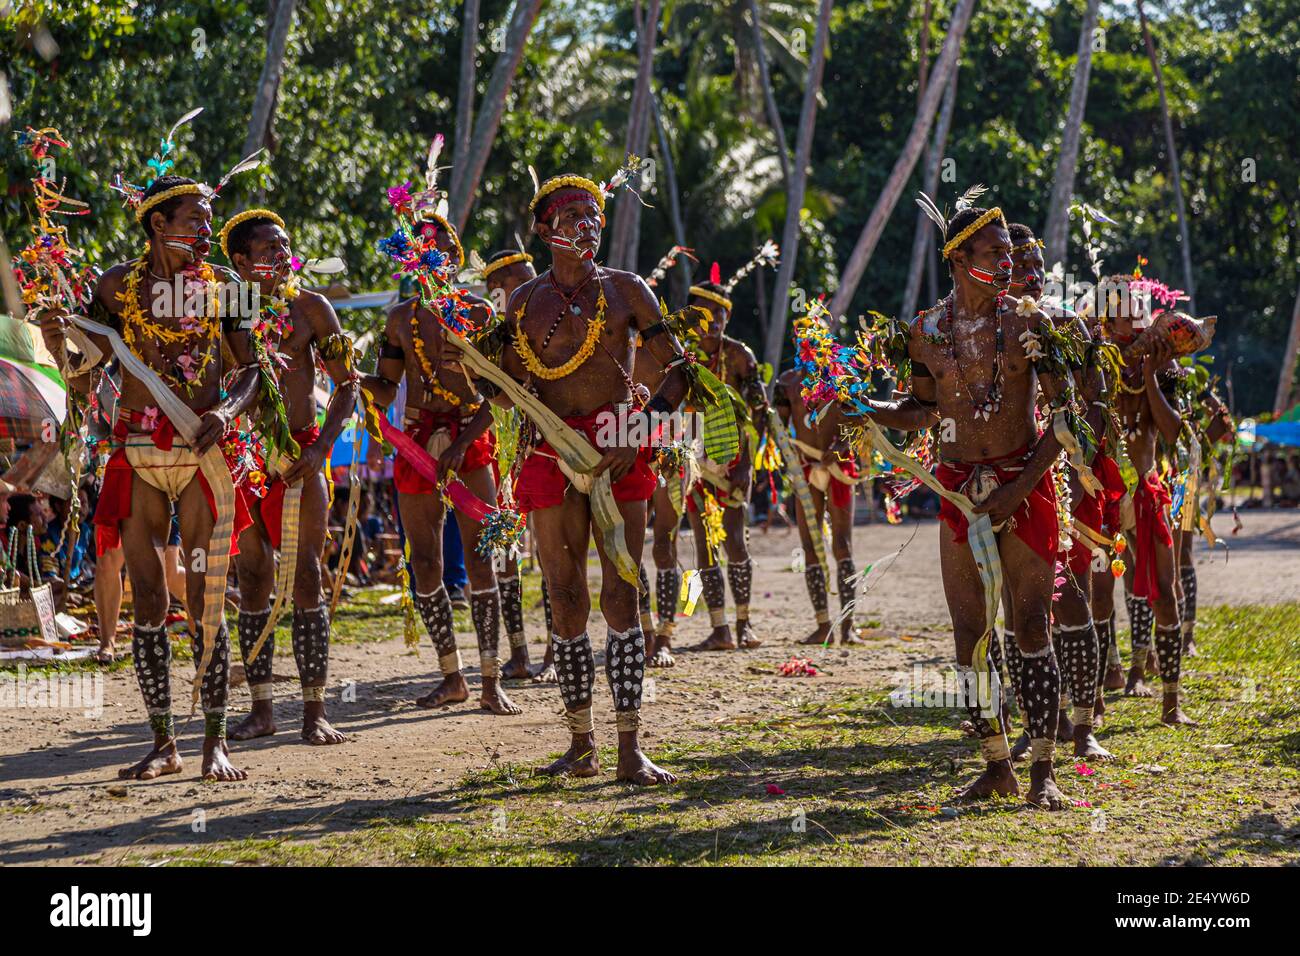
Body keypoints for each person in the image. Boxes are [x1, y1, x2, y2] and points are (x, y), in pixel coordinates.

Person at [439, 170, 704, 784]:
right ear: (543, 228)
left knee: (620, 594)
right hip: (547, 454)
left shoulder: (628, 291)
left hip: (618, 448)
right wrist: (472, 364)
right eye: (570, 215)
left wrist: (636, 433)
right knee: (563, 596)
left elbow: (680, 373)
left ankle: (630, 747)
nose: (585, 224)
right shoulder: (525, 301)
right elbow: (505, 394)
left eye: (593, 214)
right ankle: (580, 741)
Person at [38, 169, 262, 782]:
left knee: (204, 595)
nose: (209, 229)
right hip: (135, 449)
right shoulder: (114, 286)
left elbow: (250, 372)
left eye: (210, 218)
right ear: (159, 225)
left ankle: (216, 741)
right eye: (197, 219)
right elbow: (87, 373)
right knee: (148, 598)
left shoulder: (230, 289)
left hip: (200, 451)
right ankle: (163, 742)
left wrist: (224, 410)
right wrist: (60, 346)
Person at [861, 192, 1082, 809]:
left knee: (1030, 625)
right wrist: (866, 409)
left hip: (1025, 485)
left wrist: (1018, 487)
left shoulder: (1031, 322)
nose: (1009, 263)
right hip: (959, 491)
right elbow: (923, 410)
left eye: (1010, 252)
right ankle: (995, 766)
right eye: (994, 253)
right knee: (968, 634)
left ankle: (1043, 771)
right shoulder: (925, 331)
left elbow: (1067, 420)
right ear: (958, 259)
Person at [364, 203, 522, 716]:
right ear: (409, 261)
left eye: (437, 249)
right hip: (414, 443)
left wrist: (458, 445)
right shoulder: (399, 319)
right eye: (419, 250)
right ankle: (452, 675)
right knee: (425, 561)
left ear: (454, 256)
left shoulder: (479, 315)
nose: (428, 258)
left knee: (481, 561)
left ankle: (492, 679)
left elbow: (499, 394)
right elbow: (386, 388)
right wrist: (349, 375)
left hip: (470, 441)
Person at [219, 208, 359, 744]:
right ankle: (261, 710)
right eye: (267, 249)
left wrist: (322, 446)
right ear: (240, 261)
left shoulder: (313, 309)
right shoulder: (224, 311)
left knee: (304, 578)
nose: (281, 255)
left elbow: (347, 385)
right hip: (243, 457)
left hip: (301, 456)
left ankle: (315, 710)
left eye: (285, 245)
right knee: (252, 576)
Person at [1097, 273, 1196, 726]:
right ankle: (1095, 694)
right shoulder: (1091, 360)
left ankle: (1170, 703)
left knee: (1167, 594)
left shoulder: (1163, 363)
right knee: (1097, 594)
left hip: (1148, 490)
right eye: (1119, 310)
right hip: (1099, 491)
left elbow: (1174, 432)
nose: (1130, 318)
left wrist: (1153, 376)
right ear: (1104, 316)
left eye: (1136, 308)